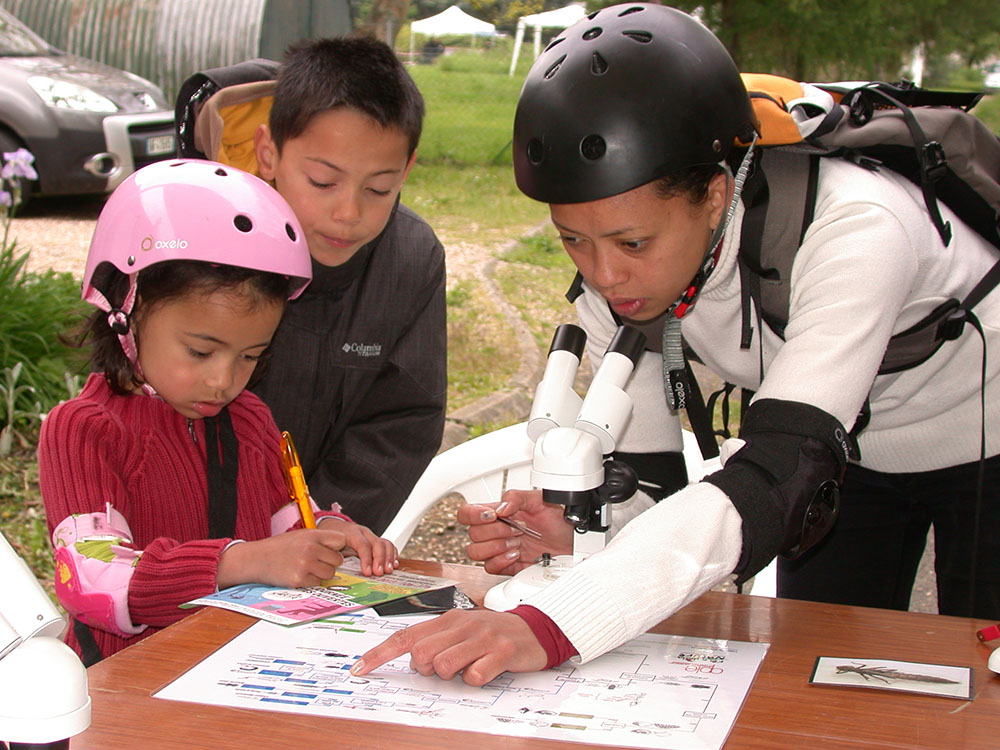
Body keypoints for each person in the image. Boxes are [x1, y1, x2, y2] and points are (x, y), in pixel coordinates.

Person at [352, 3, 1000, 684]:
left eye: (633, 242)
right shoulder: (613, 285)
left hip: (983, 435)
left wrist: (551, 625)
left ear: (716, 196)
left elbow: (778, 472)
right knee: (828, 677)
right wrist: (585, 523)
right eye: (573, 239)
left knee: (983, 681)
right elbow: (656, 487)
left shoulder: (860, 229)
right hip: (846, 457)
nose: (605, 276)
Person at [38, 159, 398, 663]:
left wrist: (328, 531)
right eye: (201, 351)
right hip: (125, 684)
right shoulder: (84, 431)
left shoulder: (249, 420)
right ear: (125, 310)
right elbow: (93, 580)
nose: (224, 380)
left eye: (251, 356)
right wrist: (238, 561)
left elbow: (284, 522)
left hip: (233, 667)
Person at [173, 35, 447, 534]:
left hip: (317, 545)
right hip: (184, 539)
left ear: (406, 170)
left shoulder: (412, 258)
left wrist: (318, 527)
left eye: (379, 188)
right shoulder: (200, 245)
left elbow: (403, 423)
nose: (348, 214)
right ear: (268, 154)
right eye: (323, 181)